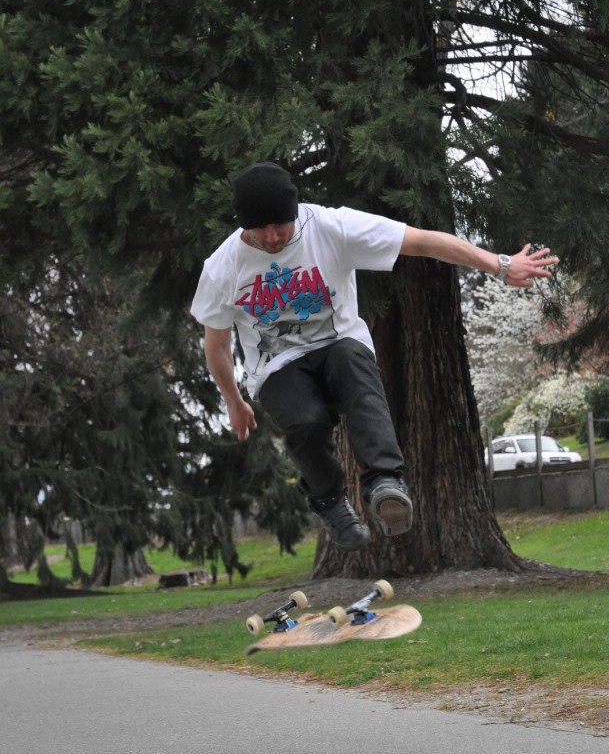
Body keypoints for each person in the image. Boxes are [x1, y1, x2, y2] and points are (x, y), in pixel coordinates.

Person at [191, 162, 558, 551]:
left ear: (295, 211)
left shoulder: (332, 227)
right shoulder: (222, 267)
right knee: (306, 421)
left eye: (279, 226)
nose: (271, 238)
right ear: (243, 225)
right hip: (278, 365)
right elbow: (216, 345)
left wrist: (500, 265)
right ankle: (331, 503)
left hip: (338, 345)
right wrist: (233, 399)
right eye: (259, 230)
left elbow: (421, 241)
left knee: (355, 369)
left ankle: (385, 482)